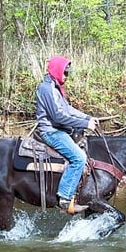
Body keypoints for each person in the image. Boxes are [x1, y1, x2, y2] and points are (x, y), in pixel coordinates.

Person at [35, 55, 99, 213]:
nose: (66, 76)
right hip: (51, 131)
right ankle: (64, 197)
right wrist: (85, 124)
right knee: (79, 158)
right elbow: (58, 116)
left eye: (68, 73)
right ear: (57, 70)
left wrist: (88, 117)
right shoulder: (47, 88)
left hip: (60, 129)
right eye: (65, 72)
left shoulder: (55, 87)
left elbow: (68, 109)